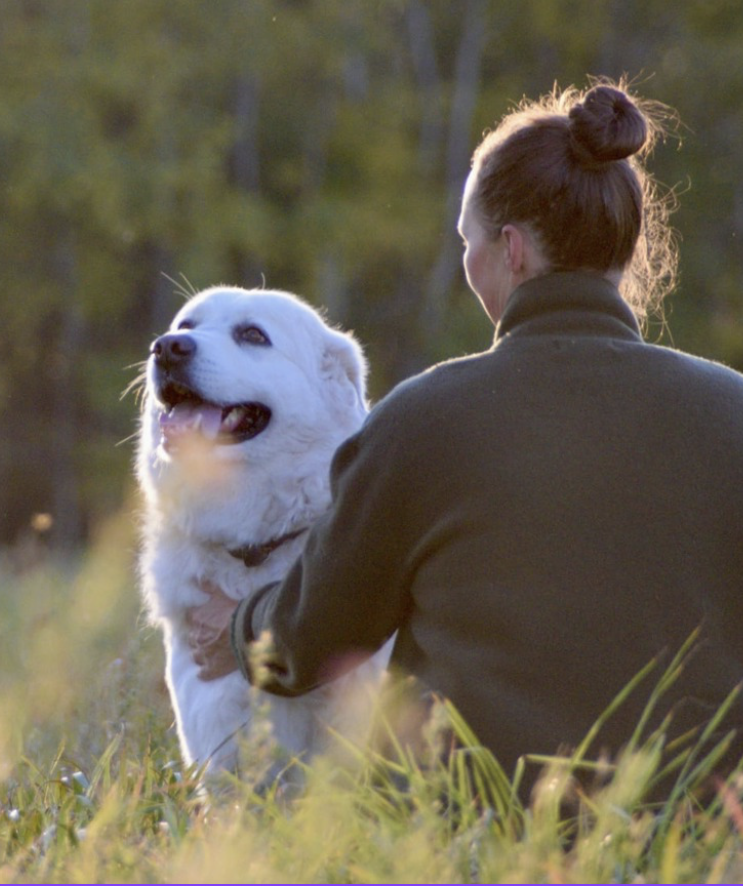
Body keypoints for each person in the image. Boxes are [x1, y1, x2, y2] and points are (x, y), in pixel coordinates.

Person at [187, 79, 743, 799]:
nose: (467, 262)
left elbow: (313, 638)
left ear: (510, 250)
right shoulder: (731, 411)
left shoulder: (422, 419)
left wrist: (241, 626)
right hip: (698, 842)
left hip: (473, 838)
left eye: (467, 241)